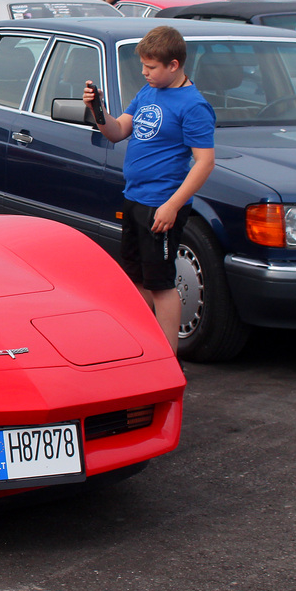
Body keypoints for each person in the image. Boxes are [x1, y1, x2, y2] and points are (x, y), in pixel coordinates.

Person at [83, 26, 215, 354]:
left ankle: (166, 357)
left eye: (151, 67)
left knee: (161, 283)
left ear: (174, 65)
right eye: (143, 66)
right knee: (136, 279)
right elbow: (117, 131)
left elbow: (204, 163)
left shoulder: (193, 105)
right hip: (135, 198)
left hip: (161, 204)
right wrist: (97, 109)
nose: (145, 73)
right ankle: (139, 347)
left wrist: (172, 205)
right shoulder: (148, 92)